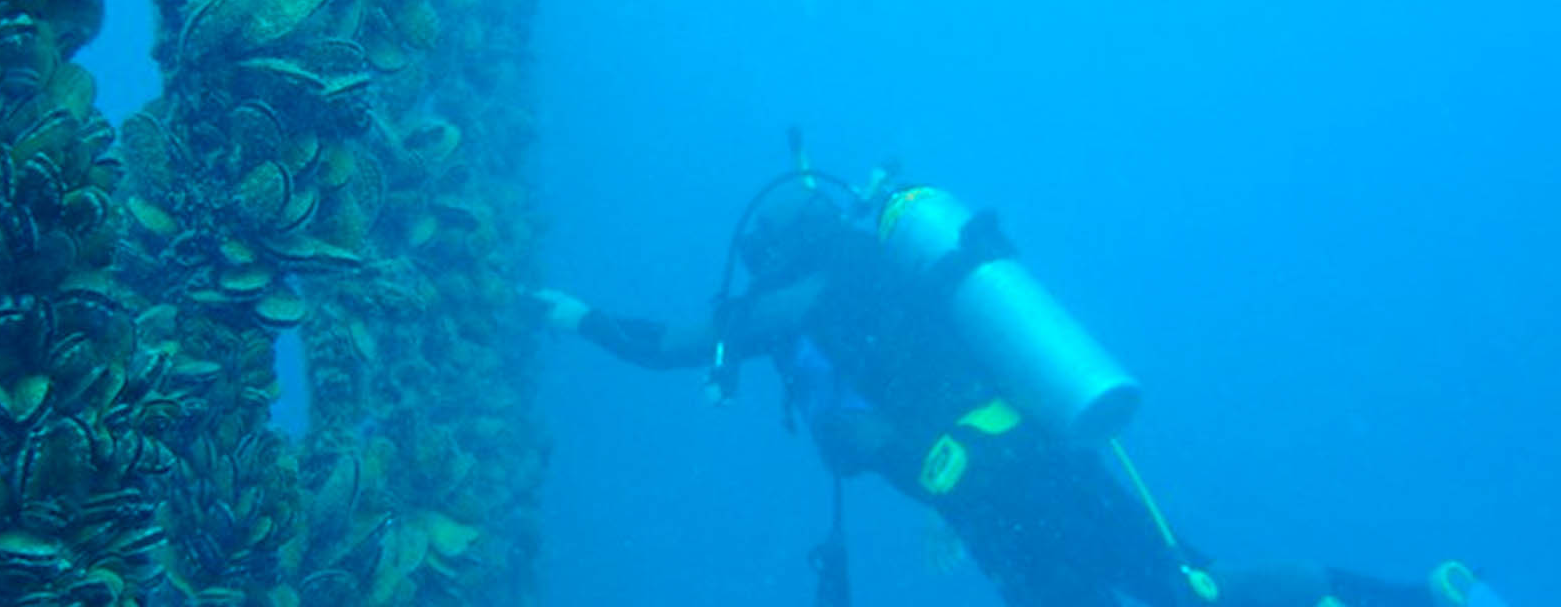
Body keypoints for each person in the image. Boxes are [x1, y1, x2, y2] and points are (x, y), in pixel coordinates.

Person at [530, 139, 1505, 607]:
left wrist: (569, 316)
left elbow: (668, 345)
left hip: (1001, 493)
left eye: (759, 257)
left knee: (1172, 595)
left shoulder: (805, 294)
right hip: (1045, 455)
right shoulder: (888, 274)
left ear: (780, 246)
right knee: (1188, 583)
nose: (755, 273)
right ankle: (1422, 595)